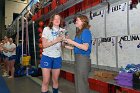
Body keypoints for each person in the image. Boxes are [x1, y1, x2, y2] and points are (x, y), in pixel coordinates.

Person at [64, 15, 92, 93]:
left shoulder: (86, 31)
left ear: (83, 22)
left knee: (82, 82)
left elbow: (85, 47)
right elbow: (78, 47)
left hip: (83, 59)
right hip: (78, 59)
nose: (75, 21)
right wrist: (67, 46)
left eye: (78, 20)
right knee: (79, 81)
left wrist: (72, 42)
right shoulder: (79, 32)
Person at [40, 14, 65, 93]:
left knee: (55, 80)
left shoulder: (62, 31)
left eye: (58, 19)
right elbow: (44, 45)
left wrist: (64, 41)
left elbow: (62, 45)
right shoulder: (46, 29)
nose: (57, 20)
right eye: (55, 19)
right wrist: (56, 40)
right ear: (51, 20)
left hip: (57, 57)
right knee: (46, 81)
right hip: (47, 56)